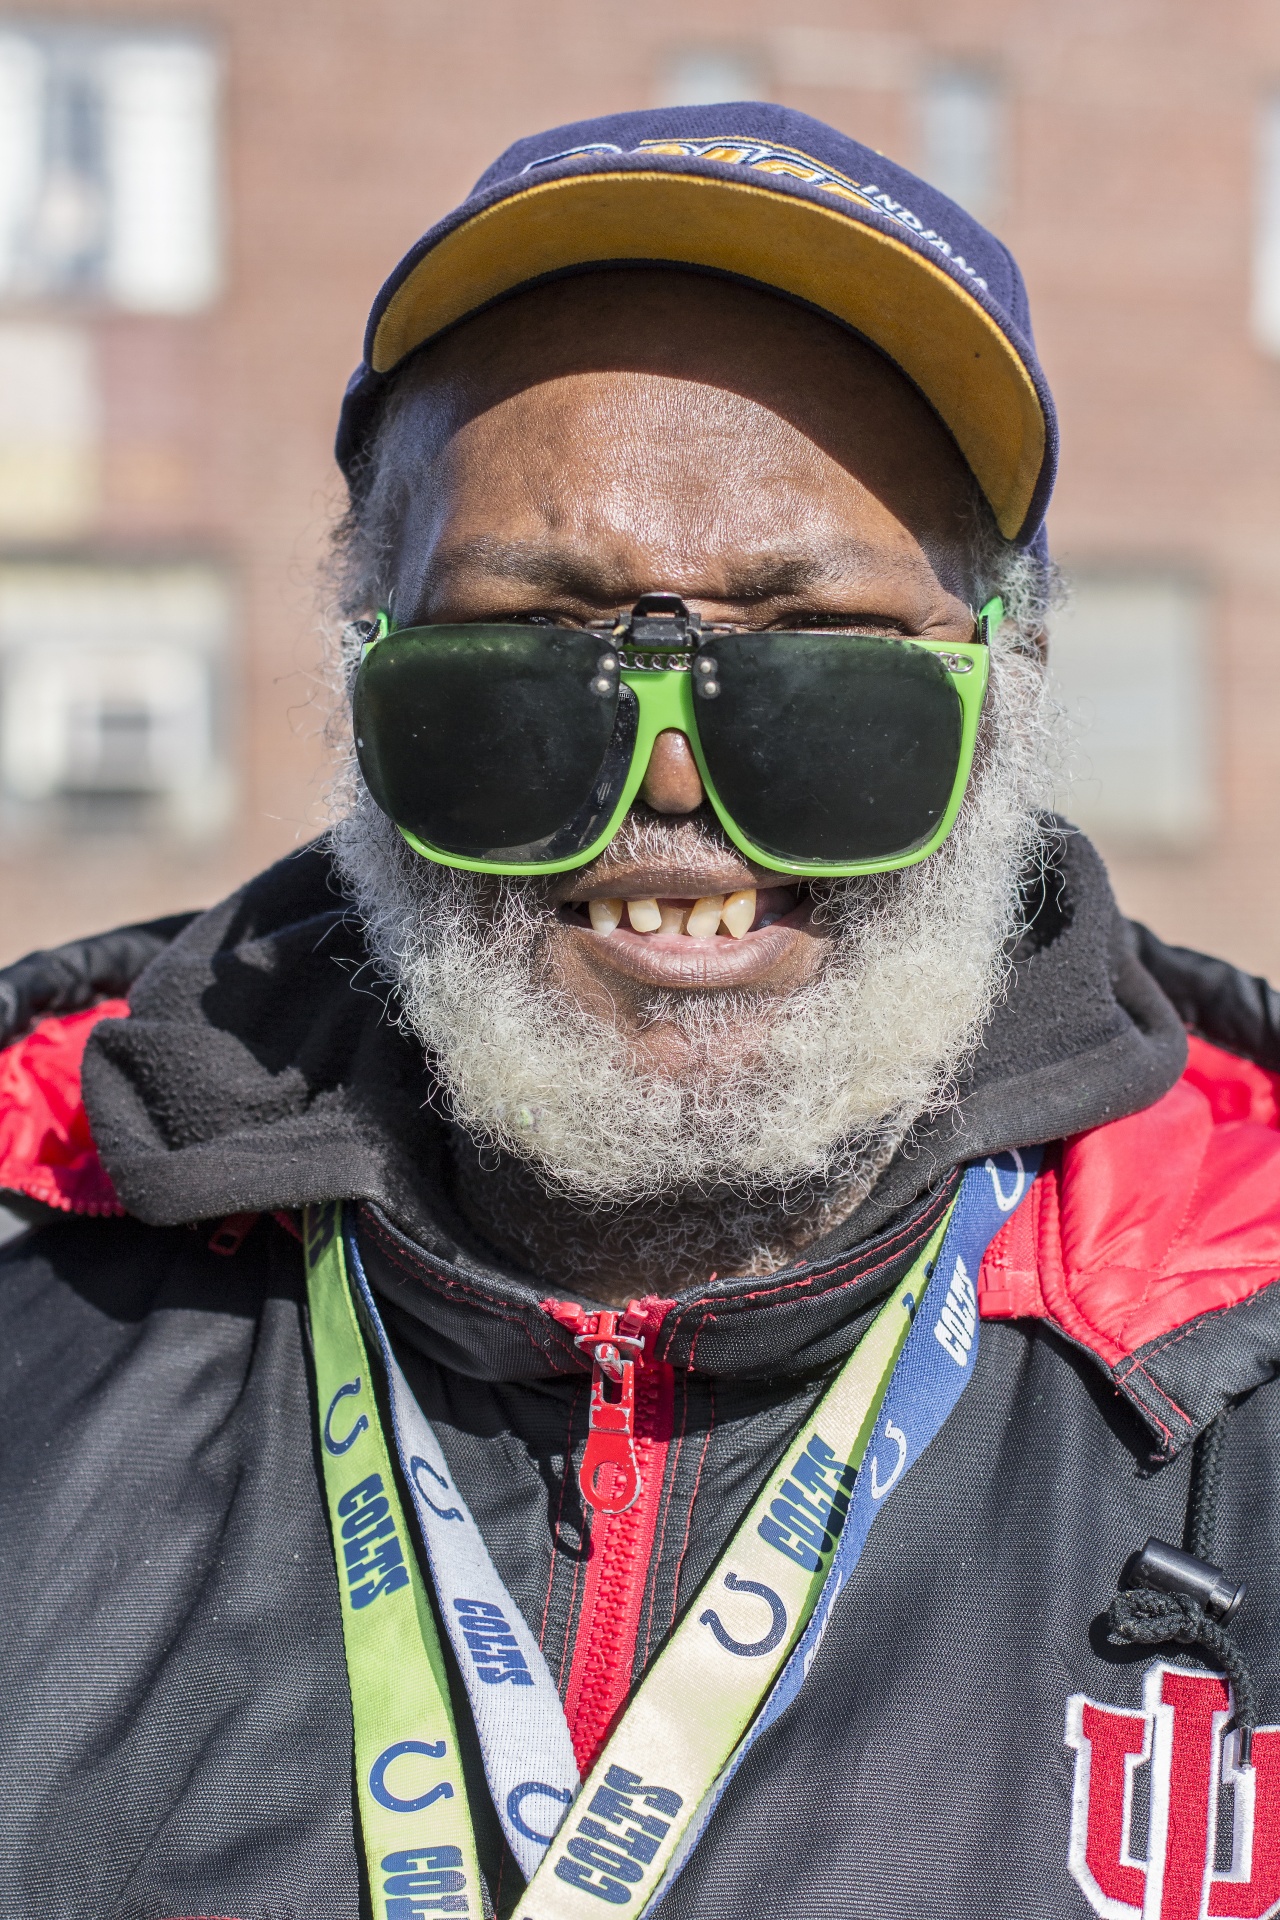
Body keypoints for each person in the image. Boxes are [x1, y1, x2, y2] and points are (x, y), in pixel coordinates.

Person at [3, 103, 1280, 1920]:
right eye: (527, 656)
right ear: (363, 674)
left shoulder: (1247, 1314)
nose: (670, 790)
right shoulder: (35, 1259)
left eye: (820, 671)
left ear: (1011, 692)